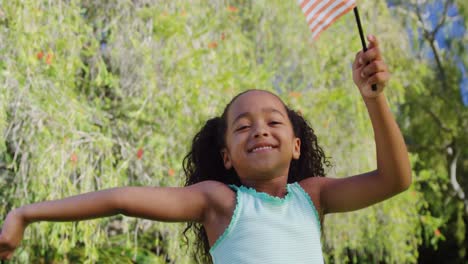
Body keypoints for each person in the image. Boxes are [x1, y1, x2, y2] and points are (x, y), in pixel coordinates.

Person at [0, 35, 411, 263]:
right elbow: (120, 199)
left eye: (273, 121)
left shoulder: (313, 196)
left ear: (297, 145)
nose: (259, 131)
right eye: (243, 126)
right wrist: (25, 214)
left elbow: (395, 180)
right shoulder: (222, 202)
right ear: (227, 157)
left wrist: (373, 99)